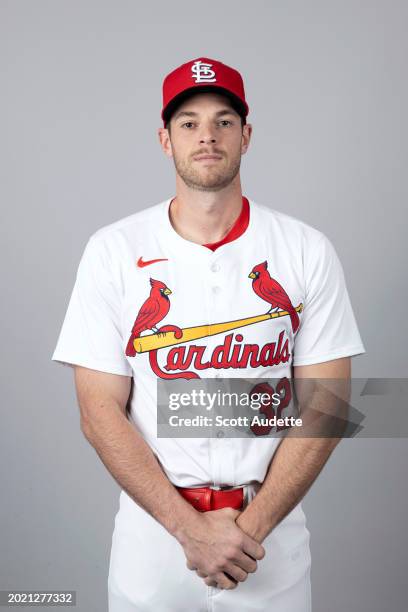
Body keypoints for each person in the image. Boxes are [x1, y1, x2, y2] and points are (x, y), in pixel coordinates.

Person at [51, 57, 366, 611]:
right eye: (189, 122)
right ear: (164, 139)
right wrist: (189, 530)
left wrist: (252, 528)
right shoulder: (114, 250)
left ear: (246, 135)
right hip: (156, 539)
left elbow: (330, 403)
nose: (207, 136)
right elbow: (98, 411)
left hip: (268, 541)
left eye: (223, 121)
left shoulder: (305, 249)